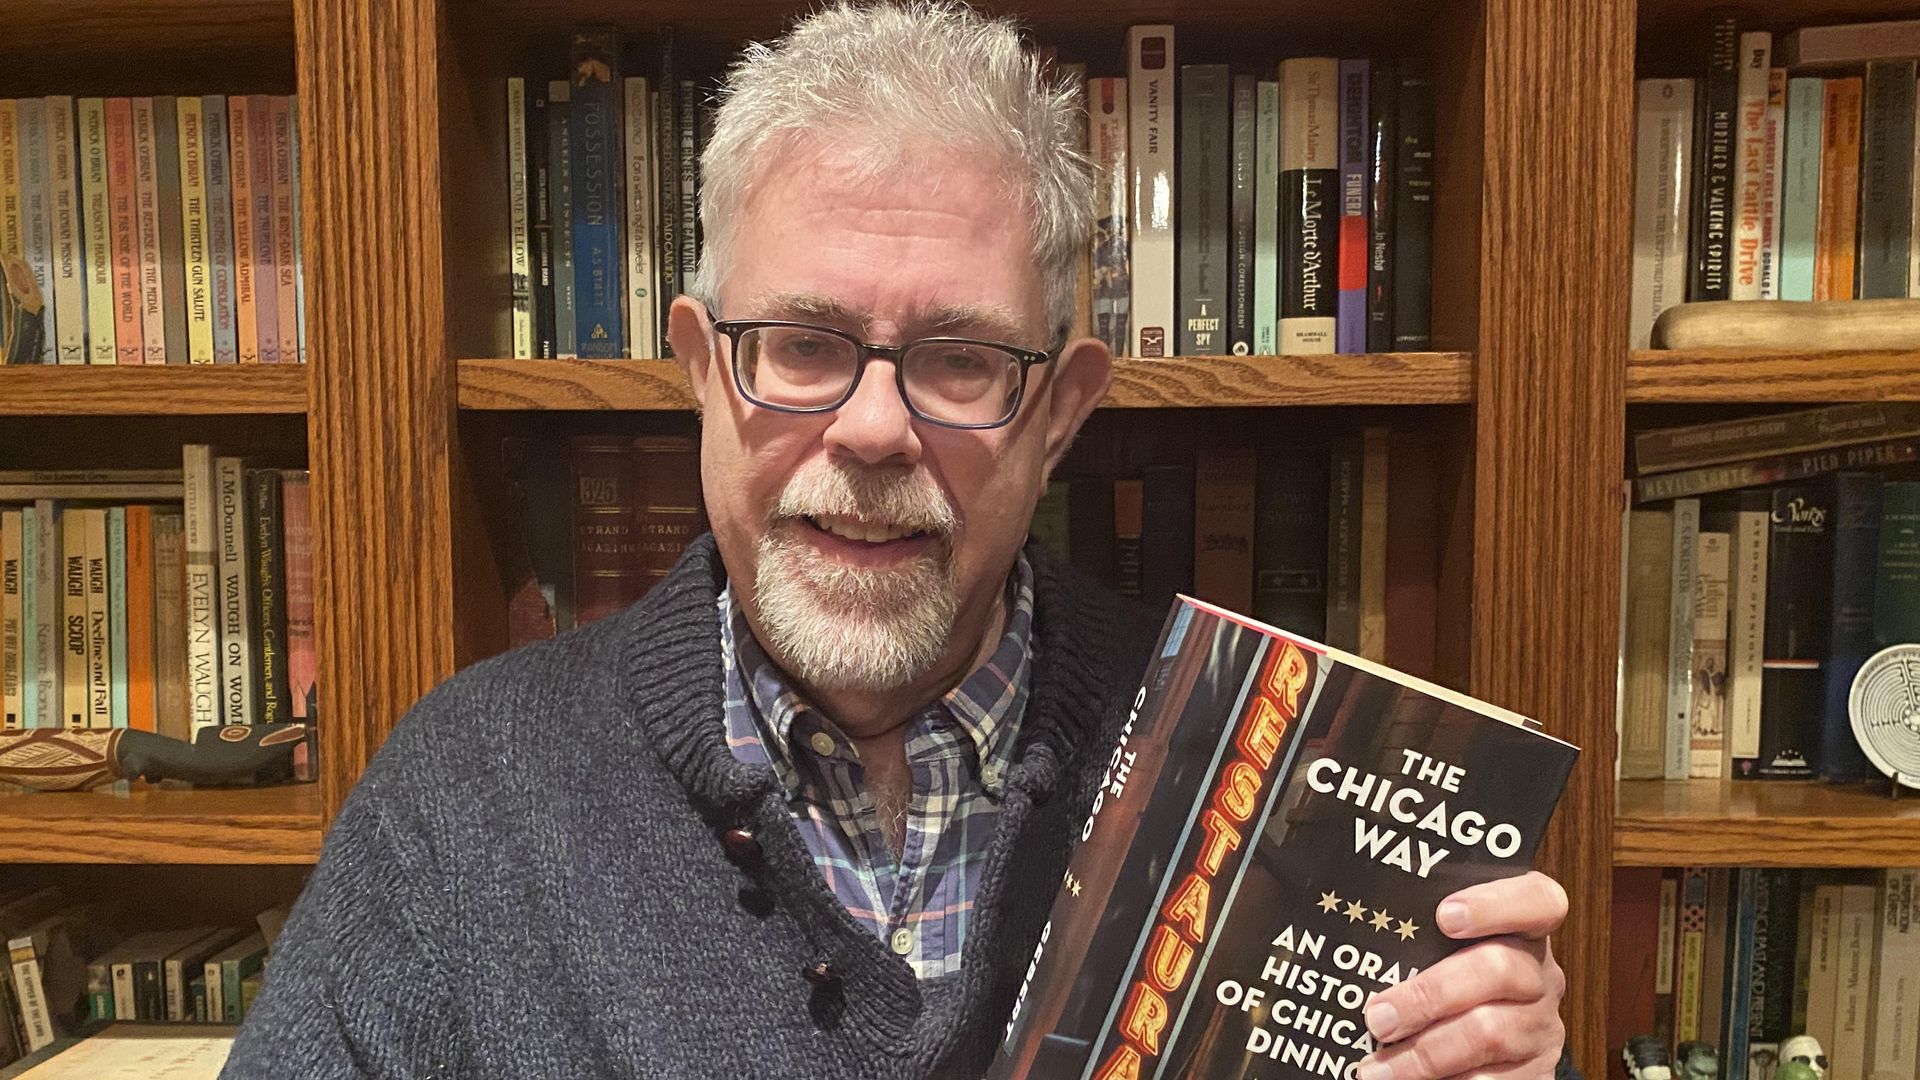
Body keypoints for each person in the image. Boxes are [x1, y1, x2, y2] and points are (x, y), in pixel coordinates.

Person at [223, 4, 1573, 1077]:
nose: (872, 429)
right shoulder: (462, 799)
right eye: (802, 346)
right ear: (701, 372)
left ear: (1059, 411)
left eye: (961, 358)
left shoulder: (1273, 782)